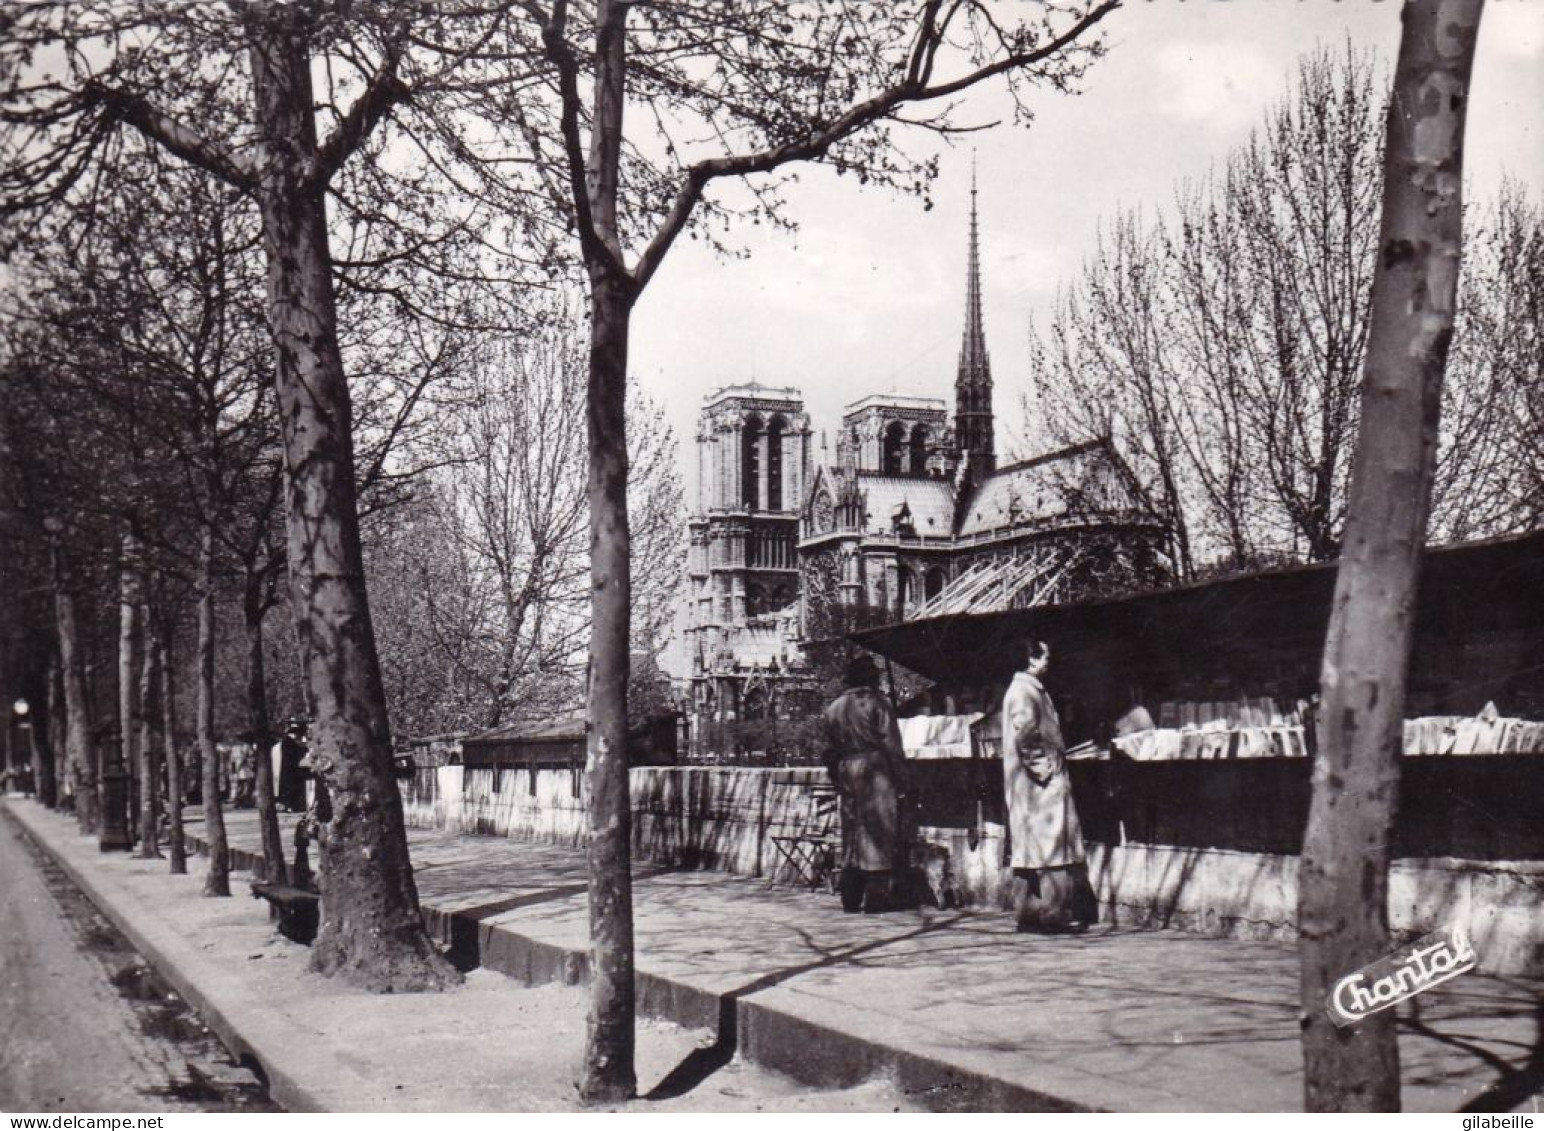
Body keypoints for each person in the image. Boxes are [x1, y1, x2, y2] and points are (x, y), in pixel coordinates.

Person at [1001, 639, 1092, 933]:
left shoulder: (1027, 690)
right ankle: (1055, 914)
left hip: (1027, 785)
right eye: (1046, 657)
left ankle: (1027, 914)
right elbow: (1027, 737)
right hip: (1037, 786)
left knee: (1028, 851)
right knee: (1052, 848)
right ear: (1032, 659)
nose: (1049, 662)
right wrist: (1046, 771)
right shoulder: (1025, 693)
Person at [820, 654, 909, 913]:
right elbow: (892, 744)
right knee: (879, 829)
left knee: (852, 831)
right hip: (875, 769)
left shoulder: (834, 707)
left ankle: (850, 896)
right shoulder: (877, 703)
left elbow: (830, 746)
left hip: (847, 768)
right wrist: (903, 778)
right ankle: (876, 897)